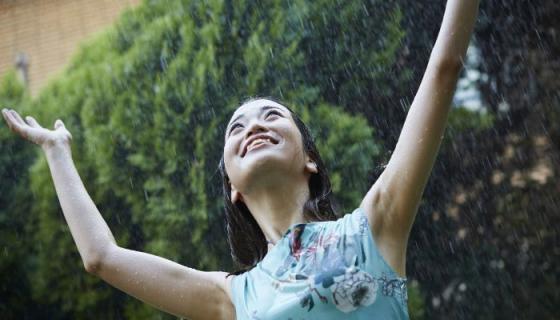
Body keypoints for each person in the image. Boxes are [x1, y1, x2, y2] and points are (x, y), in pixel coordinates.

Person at [1, 1, 479, 319]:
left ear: (309, 159)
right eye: (236, 127)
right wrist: (57, 152)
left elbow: (444, 69)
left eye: (272, 115)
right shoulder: (232, 298)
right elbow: (102, 258)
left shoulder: (375, 227)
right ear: (232, 184)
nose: (253, 126)